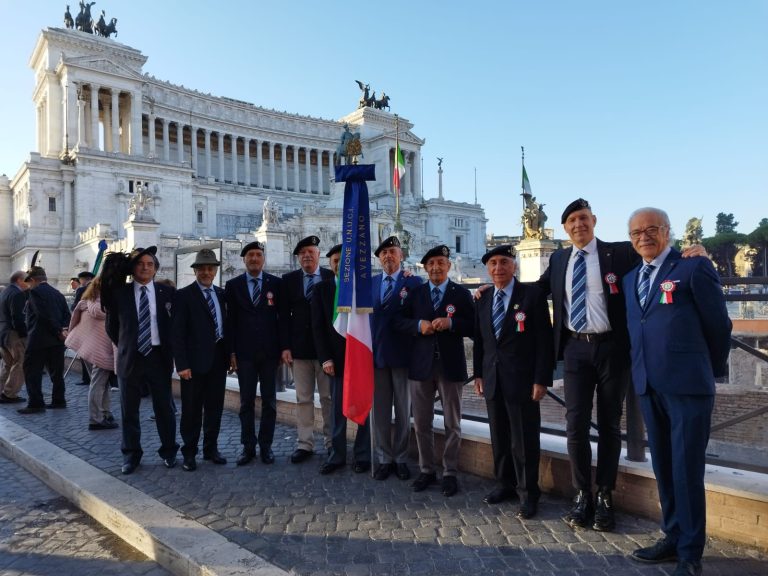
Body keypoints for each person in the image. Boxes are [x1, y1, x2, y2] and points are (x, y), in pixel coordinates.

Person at [536, 198, 706, 532]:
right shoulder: (558, 259)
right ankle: (582, 492)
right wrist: (494, 288)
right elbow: (535, 291)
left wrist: (691, 252)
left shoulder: (620, 253)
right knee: (575, 425)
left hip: (613, 348)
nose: (578, 225)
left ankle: (605, 495)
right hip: (575, 349)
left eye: (583, 218)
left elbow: (656, 258)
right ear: (565, 228)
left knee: (611, 425)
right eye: (571, 221)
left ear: (594, 220)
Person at [624, 208, 731, 576]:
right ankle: (671, 536)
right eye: (636, 232)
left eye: (652, 229)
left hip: (687, 386)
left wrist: (706, 371)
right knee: (664, 467)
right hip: (648, 385)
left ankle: (690, 550)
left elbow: (719, 324)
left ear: (667, 232)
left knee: (687, 469)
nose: (644, 237)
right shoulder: (630, 278)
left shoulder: (693, 267)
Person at [473, 245, 553, 519]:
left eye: (504, 262)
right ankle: (504, 484)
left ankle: (529, 493)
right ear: (488, 268)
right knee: (500, 437)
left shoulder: (532, 296)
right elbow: (481, 341)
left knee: (524, 441)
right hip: (493, 379)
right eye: (493, 263)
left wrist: (542, 379)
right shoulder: (482, 299)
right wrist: (479, 374)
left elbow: (544, 341)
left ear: (514, 266)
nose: (498, 268)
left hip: (522, 381)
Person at [394, 245, 474, 497]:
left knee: (453, 422)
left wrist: (452, 323)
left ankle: (450, 472)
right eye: (431, 264)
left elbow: (473, 326)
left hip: (450, 366)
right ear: (425, 268)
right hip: (421, 366)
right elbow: (399, 321)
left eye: (441, 262)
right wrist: (418, 325)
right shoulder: (415, 294)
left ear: (449, 266)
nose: (436, 267)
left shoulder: (460, 293)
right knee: (421, 422)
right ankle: (426, 469)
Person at [105, 246, 179, 474]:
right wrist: (129, 344)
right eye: (140, 264)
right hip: (131, 358)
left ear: (156, 269)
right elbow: (112, 328)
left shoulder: (167, 293)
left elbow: (175, 326)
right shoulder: (120, 293)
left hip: (159, 358)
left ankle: (169, 451)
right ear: (133, 268)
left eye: (150, 264)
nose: (145, 268)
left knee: (164, 408)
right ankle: (131, 455)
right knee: (129, 410)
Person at [311, 244, 371, 474]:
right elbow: (317, 328)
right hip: (335, 362)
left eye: (344, 260)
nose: (339, 264)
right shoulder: (321, 290)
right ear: (330, 264)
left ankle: (362, 455)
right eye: (335, 260)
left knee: (363, 407)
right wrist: (325, 358)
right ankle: (337, 455)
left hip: (361, 357)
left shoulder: (363, 289)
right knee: (337, 411)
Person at [226, 240, 283, 466]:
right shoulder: (233, 285)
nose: (254, 259)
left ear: (263, 259)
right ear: (244, 259)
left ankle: (266, 446)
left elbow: (281, 320)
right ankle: (247, 446)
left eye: (258, 255)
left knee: (270, 402)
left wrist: (281, 349)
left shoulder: (275, 284)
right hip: (245, 354)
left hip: (270, 354)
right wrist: (230, 352)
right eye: (250, 255)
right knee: (245, 402)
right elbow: (229, 322)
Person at [370, 236, 422, 481]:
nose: (388, 256)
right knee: (379, 412)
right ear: (379, 259)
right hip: (377, 357)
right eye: (384, 253)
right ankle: (383, 458)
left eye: (392, 251)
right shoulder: (369, 284)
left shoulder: (414, 283)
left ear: (401, 255)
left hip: (403, 357)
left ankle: (401, 457)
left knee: (403, 411)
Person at [172, 249, 228, 471]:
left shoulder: (222, 294)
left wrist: (229, 356)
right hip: (193, 365)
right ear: (195, 271)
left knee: (215, 408)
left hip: (218, 362)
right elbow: (177, 333)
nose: (206, 272)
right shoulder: (183, 295)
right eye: (202, 268)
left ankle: (211, 449)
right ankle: (189, 452)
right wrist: (182, 364)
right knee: (192, 410)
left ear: (215, 271)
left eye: (210, 268)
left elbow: (227, 327)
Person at [279, 235, 335, 464]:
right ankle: (305, 443)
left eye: (310, 252)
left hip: (327, 353)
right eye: (302, 253)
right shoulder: (288, 280)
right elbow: (282, 317)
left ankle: (332, 442)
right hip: (300, 350)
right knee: (303, 399)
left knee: (328, 398)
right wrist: (285, 346)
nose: (306, 256)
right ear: (298, 258)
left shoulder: (332, 277)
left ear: (319, 255)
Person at [64, 277, 117, 429]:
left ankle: (105, 413)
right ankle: (96, 418)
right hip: (101, 351)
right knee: (99, 384)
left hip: (86, 348)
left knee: (101, 383)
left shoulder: (85, 303)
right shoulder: (107, 308)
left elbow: (73, 322)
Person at [18, 266, 71, 414]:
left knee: (32, 372)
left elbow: (43, 315)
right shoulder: (58, 294)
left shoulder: (34, 292)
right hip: (57, 341)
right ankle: (59, 400)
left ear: (33, 280)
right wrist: (63, 330)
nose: (29, 285)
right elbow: (67, 315)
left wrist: (57, 330)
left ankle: (36, 403)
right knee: (57, 373)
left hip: (38, 340)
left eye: (29, 282)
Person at [0, 271, 29, 404]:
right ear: (19, 280)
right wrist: (23, 334)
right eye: (26, 280)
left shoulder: (5, 292)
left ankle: (2, 391)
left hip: (3, 332)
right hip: (13, 333)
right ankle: (10, 393)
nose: (28, 284)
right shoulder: (17, 294)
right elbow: (18, 317)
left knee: (7, 364)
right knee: (20, 362)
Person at [72, 270, 96, 387]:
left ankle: (87, 378)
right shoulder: (100, 287)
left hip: (84, 324)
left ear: (82, 279)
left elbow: (75, 306)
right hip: (97, 325)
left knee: (84, 352)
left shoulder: (82, 290)